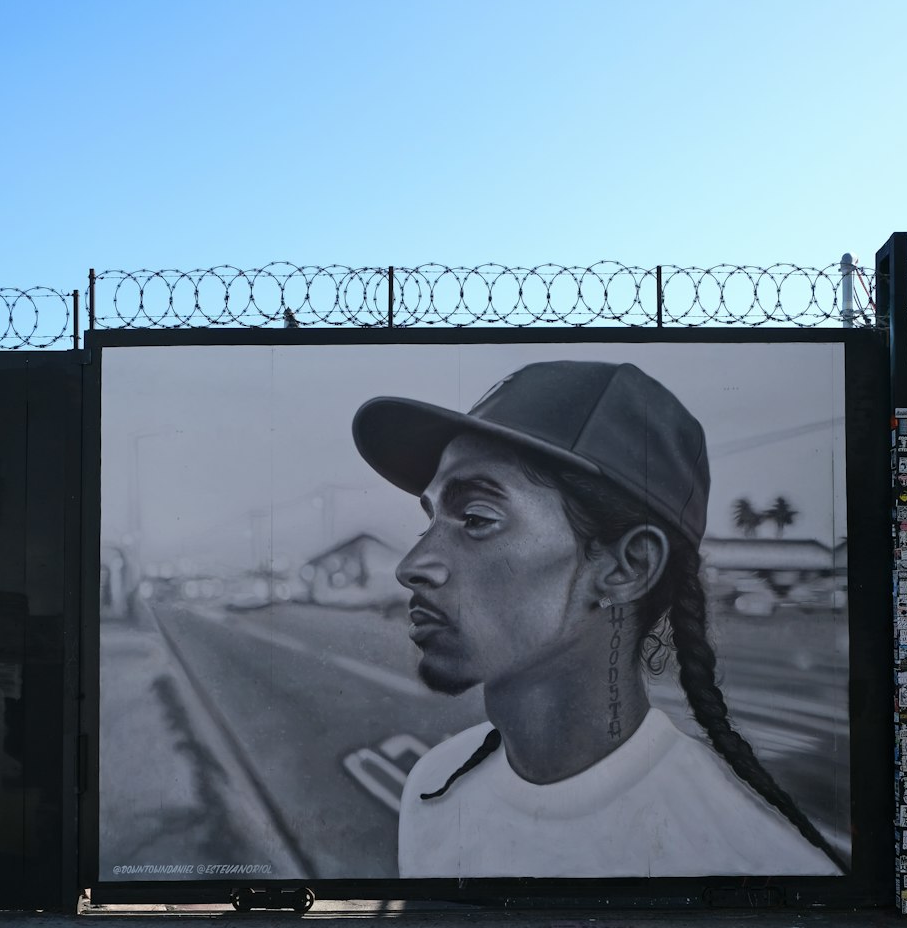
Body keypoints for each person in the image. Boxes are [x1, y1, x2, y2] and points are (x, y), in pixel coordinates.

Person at [352, 359, 845, 879]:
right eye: (430, 520)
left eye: (476, 520)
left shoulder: (753, 865)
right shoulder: (435, 783)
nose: (411, 567)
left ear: (626, 567)